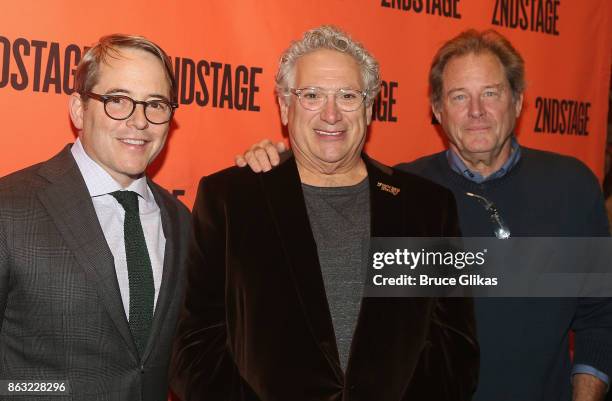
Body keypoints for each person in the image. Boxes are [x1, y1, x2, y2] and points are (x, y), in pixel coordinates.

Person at [236, 29, 612, 401]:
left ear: (518, 101)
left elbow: (600, 318)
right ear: (437, 109)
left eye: (491, 93)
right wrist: (277, 162)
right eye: (459, 96)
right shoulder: (403, 195)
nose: (476, 111)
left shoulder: (573, 187)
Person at [171, 25, 478, 401]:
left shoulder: (426, 208)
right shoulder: (232, 200)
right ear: (285, 106)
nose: (331, 114)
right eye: (312, 95)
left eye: (348, 96)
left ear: (368, 109)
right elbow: (195, 344)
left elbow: (454, 346)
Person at [0, 34, 191, 401]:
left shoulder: (182, 222)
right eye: (117, 100)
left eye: (156, 104)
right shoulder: (10, 208)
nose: (139, 121)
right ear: (78, 109)